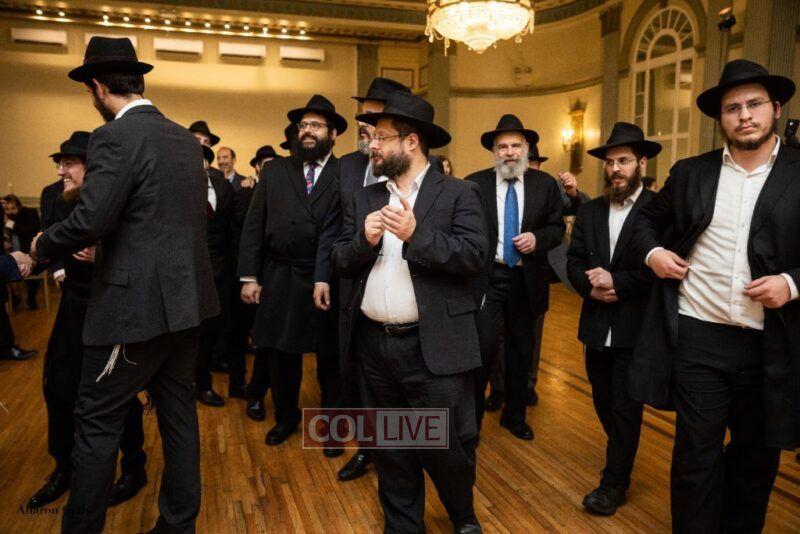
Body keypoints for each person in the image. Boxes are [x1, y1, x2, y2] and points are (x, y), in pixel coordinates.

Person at [31, 36, 219, 533]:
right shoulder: (184, 139)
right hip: (186, 305)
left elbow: (92, 218)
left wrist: (43, 243)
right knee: (179, 418)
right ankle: (178, 525)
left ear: (97, 86)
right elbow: (162, 220)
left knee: (95, 423)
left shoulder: (113, 136)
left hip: (132, 309)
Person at [630, 59, 800, 533]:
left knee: (755, 460)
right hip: (698, 339)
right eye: (732, 108)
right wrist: (654, 254)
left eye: (754, 104)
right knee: (694, 457)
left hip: (770, 344)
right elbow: (644, 221)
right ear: (720, 118)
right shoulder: (692, 173)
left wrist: (791, 284)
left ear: (775, 108)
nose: (744, 115)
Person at [332, 90, 488, 534]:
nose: (373, 146)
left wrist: (416, 236)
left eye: (381, 137)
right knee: (390, 446)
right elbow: (339, 259)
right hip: (374, 345)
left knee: (445, 446)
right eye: (372, 138)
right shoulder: (364, 197)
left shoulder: (459, 193)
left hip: (432, 345)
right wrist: (362, 242)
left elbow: (474, 257)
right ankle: (403, 526)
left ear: (412, 141)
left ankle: (463, 516)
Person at [27, 131, 148, 510]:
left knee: (118, 395)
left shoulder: (122, 198)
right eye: (59, 163)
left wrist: (104, 257)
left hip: (112, 310)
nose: (60, 171)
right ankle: (64, 467)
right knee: (59, 388)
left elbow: (144, 255)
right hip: (73, 308)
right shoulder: (57, 198)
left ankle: (134, 468)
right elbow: (47, 246)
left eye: (69, 163)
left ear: (92, 167)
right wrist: (30, 260)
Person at [238, 95, 343, 451]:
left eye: (316, 125)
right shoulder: (276, 171)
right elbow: (254, 226)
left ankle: (331, 427)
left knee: (330, 357)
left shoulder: (346, 173)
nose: (307, 131)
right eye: (303, 125)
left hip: (328, 276)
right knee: (282, 355)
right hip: (281, 273)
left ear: (333, 134)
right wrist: (249, 276)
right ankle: (286, 418)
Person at [566, 122, 660, 516]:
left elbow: (659, 270)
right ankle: (622, 449)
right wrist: (590, 289)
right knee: (604, 401)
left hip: (635, 328)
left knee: (624, 406)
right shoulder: (590, 211)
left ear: (641, 162)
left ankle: (614, 483)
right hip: (595, 326)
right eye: (610, 162)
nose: (615, 169)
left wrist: (617, 283)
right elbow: (573, 261)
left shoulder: (658, 210)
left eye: (624, 161)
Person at [329, 76, 411, 481]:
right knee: (358, 373)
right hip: (353, 281)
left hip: (403, 289)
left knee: (400, 383)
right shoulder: (347, 166)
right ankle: (367, 449)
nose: (366, 125)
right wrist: (324, 276)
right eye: (364, 117)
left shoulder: (424, 171)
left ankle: (400, 457)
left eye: (375, 118)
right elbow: (333, 230)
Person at [466, 114, 565, 440]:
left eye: (516, 146)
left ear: (526, 149)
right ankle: (472, 422)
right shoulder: (474, 184)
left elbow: (556, 228)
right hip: (488, 278)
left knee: (522, 351)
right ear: (494, 151)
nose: (510, 152)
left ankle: (515, 416)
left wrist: (537, 239)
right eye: (503, 146)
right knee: (481, 349)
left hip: (526, 278)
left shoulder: (545, 185)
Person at [196, 144, 236, 406]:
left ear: (207, 164)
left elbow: (233, 226)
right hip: (189, 268)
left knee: (213, 328)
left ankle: (204, 383)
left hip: (221, 268)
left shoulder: (223, 188)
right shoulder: (176, 189)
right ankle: (191, 384)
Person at [4, 194, 41, 309]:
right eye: (7, 209)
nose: (11, 212)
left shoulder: (30, 213)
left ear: (19, 206)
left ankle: (31, 299)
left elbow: (26, 230)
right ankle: (14, 299)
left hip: (28, 251)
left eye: (13, 208)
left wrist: (10, 222)